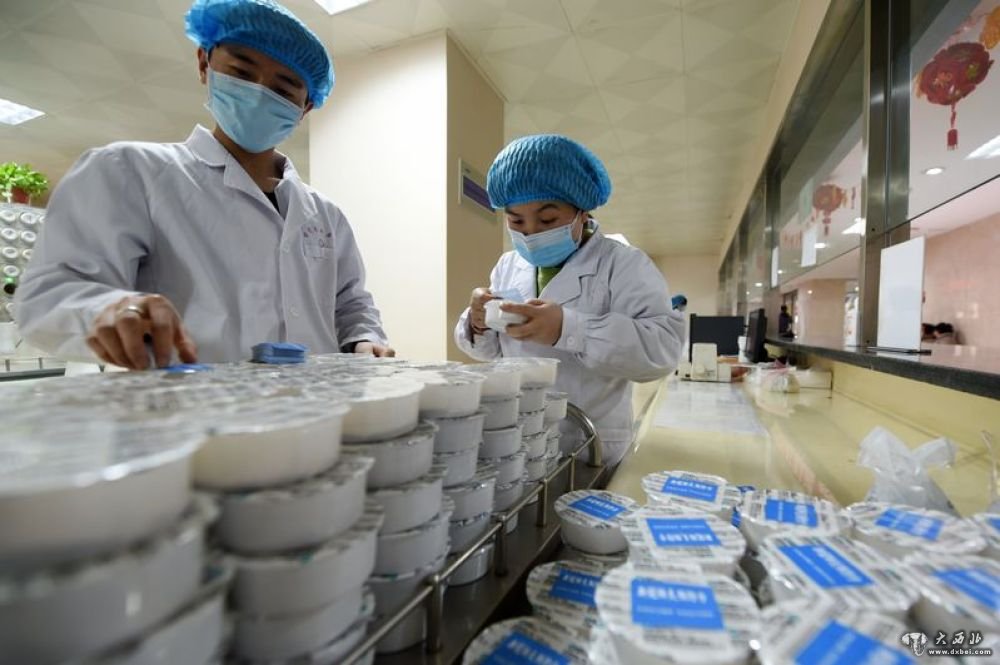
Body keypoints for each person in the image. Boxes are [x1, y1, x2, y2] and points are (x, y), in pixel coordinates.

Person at [14, 0, 392, 369]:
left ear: (304, 107)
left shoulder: (326, 215)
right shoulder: (128, 171)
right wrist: (107, 311)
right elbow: (47, 296)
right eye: (242, 73)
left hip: (321, 403)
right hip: (184, 405)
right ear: (204, 64)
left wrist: (364, 340)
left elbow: (351, 303)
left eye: (283, 89)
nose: (258, 94)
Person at [454, 135, 685, 466]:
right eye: (516, 220)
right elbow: (492, 352)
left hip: (588, 445)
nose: (530, 233)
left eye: (547, 220)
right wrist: (479, 323)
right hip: (516, 440)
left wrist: (569, 329)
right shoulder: (508, 265)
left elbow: (661, 351)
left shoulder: (623, 264)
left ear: (582, 211)